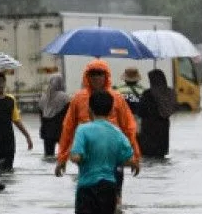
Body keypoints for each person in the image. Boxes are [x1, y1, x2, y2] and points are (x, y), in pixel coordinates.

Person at [55, 60, 140, 199]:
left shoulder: (117, 98)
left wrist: (134, 156)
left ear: (106, 76)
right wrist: (61, 158)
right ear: (86, 76)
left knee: (115, 198)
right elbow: (68, 129)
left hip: (113, 153)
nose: (96, 77)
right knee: (90, 195)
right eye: (92, 74)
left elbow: (129, 128)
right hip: (88, 156)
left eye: (100, 73)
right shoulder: (78, 99)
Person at [70, 90, 138, 214]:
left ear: (89, 109)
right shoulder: (117, 132)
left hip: (87, 188)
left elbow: (76, 156)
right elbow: (130, 160)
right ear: (111, 109)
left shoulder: (83, 130)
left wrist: (78, 157)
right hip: (109, 188)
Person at [0, 71, 33, 170]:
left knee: (8, 171)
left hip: (8, 142)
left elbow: (16, 120)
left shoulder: (11, 99)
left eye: (2, 81)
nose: (0, 84)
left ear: (5, 83)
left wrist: (27, 136)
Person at [138, 68, 177, 158]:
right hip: (163, 128)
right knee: (160, 156)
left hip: (149, 128)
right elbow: (174, 108)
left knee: (148, 156)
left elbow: (140, 111)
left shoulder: (148, 94)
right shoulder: (170, 92)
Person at [38, 72, 70, 159]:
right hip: (61, 131)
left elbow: (41, 117)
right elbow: (69, 116)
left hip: (46, 132)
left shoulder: (43, 97)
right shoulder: (65, 97)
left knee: (48, 156)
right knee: (64, 156)